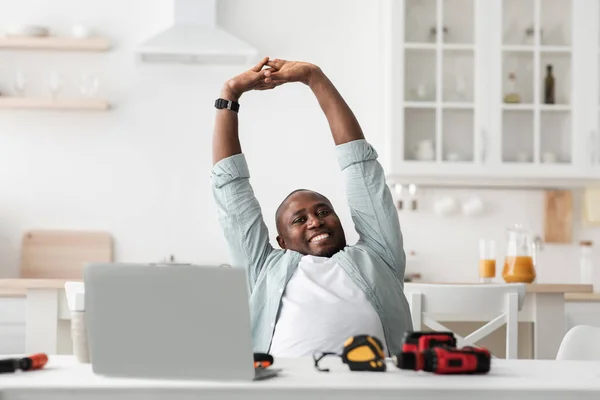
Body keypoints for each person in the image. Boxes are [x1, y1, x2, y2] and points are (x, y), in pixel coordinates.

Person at [210, 57, 413, 357]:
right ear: (281, 242)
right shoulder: (263, 268)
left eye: (322, 212)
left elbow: (360, 166)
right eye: (298, 220)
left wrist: (313, 76)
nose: (315, 222)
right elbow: (230, 188)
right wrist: (229, 95)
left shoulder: (378, 257)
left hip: (371, 387)